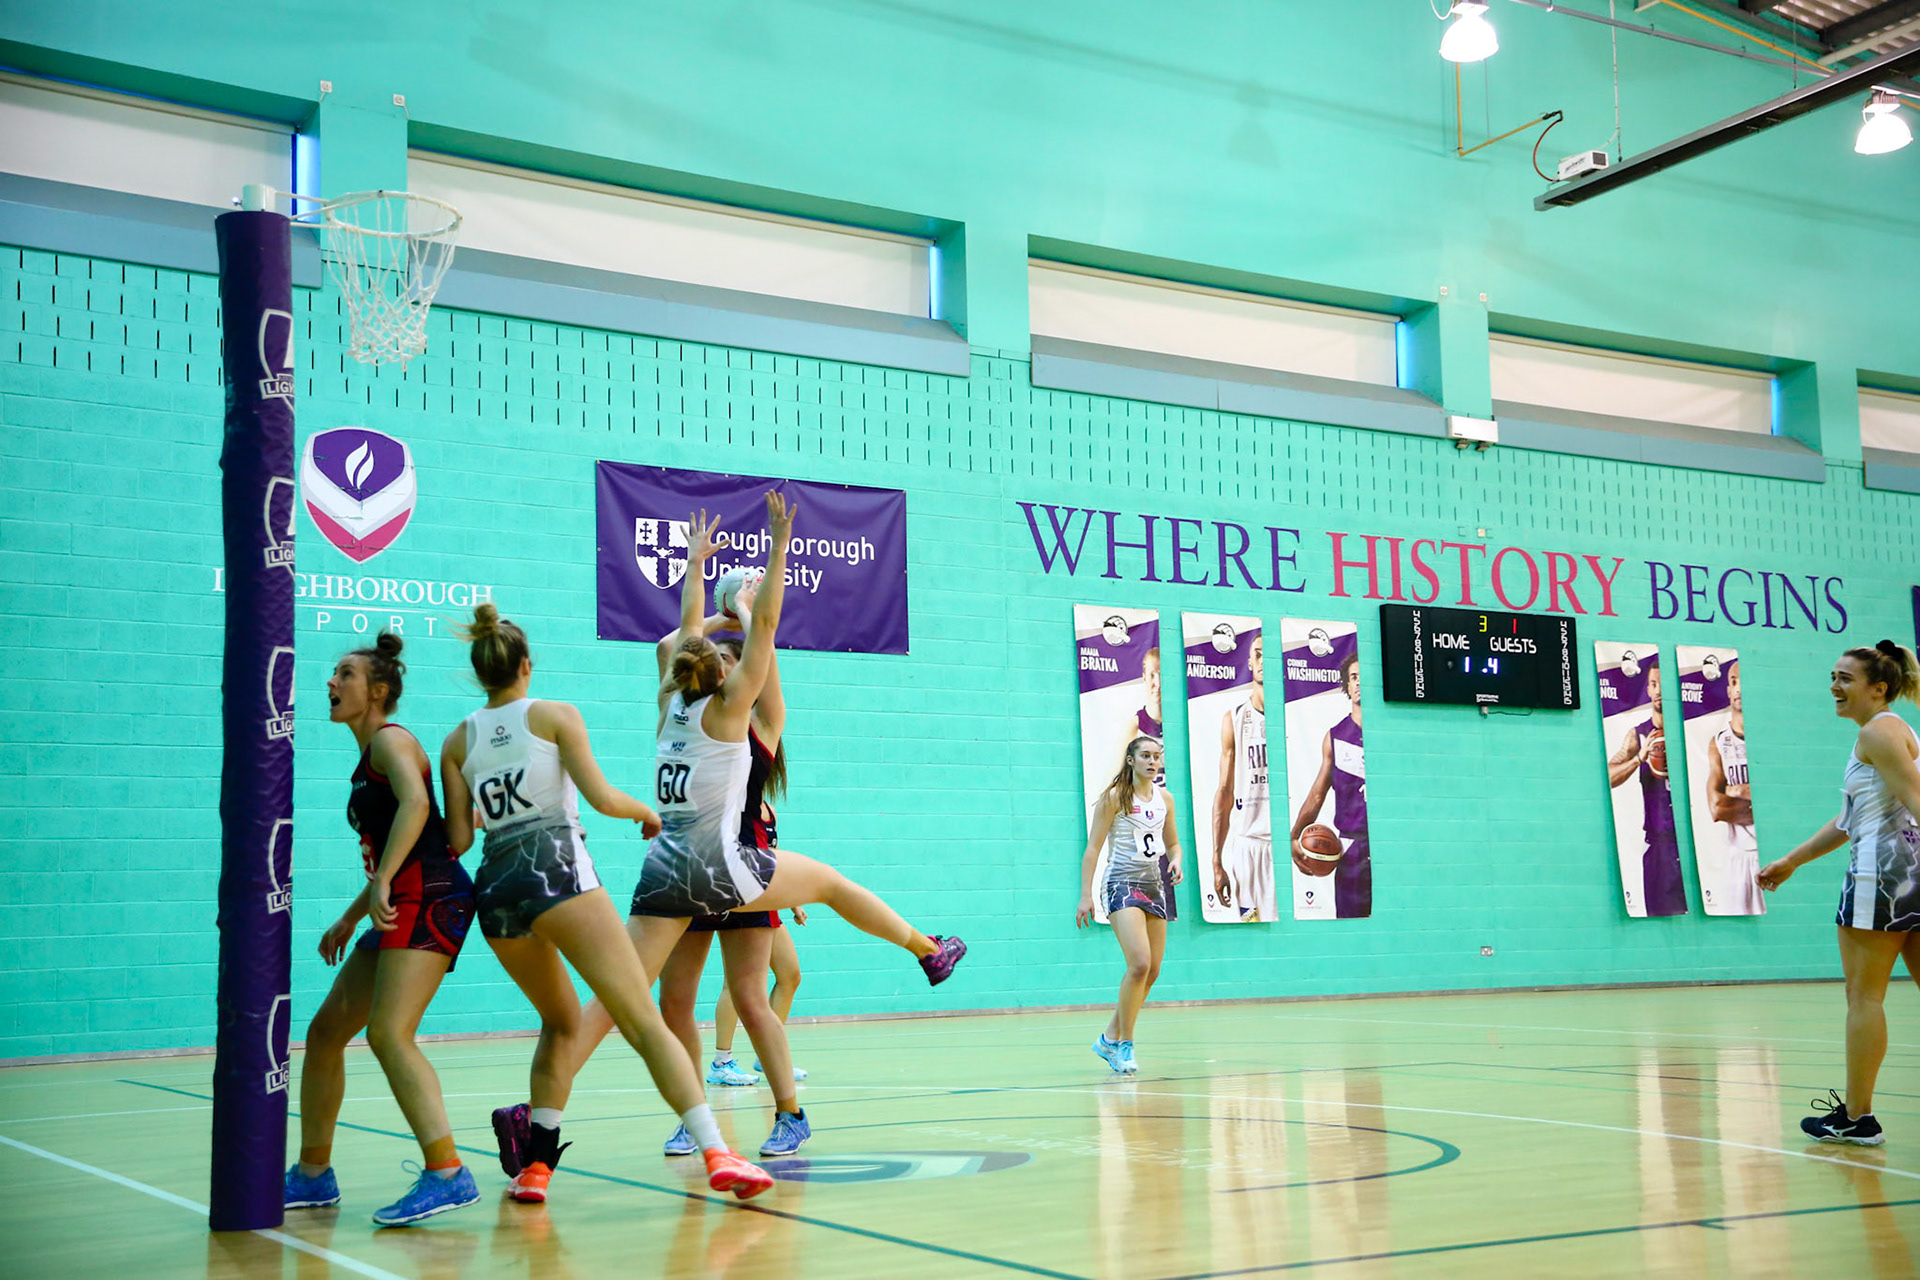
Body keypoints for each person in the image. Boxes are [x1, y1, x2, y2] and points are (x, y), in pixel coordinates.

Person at [552, 494, 966, 1155]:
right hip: (729, 867)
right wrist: (748, 603)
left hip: (697, 868)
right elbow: (756, 645)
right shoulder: (730, 716)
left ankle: (760, 1112)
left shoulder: (689, 712)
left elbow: (687, 646)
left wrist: (709, 600)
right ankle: (921, 951)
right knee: (688, 998)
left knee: (732, 998)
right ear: (724, 675)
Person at [441, 603, 773, 1204]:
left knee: (561, 1023)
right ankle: (717, 1150)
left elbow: (459, 839)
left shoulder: (454, 741)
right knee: (644, 1021)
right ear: (526, 666)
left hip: (495, 891)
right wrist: (645, 812)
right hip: (555, 875)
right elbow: (599, 797)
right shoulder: (554, 716)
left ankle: (537, 1168)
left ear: (481, 669)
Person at [284, 635, 482, 1227]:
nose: (331, 683)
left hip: (433, 895)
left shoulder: (392, 741)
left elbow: (419, 807)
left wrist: (382, 886)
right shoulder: (365, 758)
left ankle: (448, 1171)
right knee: (324, 1034)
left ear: (378, 691)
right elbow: (398, 841)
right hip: (405, 895)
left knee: (389, 1034)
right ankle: (314, 1175)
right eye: (333, 674)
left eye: (344, 674)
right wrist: (353, 912)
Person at [652, 625, 810, 1157]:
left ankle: (790, 1113)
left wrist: (746, 615)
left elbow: (763, 651)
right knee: (674, 1002)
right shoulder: (690, 716)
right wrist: (715, 617)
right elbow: (665, 649)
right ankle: (693, 1116)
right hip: (691, 870)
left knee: (749, 997)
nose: (716, 661)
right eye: (713, 656)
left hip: (741, 869)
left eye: (727, 657)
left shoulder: (760, 725)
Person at [1759, 640, 1920, 1146]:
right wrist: (1792, 861)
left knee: (1863, 997)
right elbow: (1851, 822)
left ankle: (1857, 1117)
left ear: (1879, 688)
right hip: (1910, 877)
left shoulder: (1879, 731)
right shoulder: (1887, 732)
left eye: (1845, 678)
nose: (1834, 685)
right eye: (1833, 675)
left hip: (1883, 883)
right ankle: (1856, 1114)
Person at [1078, 735, 1183, 1074]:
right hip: (1121, 883)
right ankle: (1125, 1045)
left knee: (1152, 971)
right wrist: (1085, 895)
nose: (1153, 762)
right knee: (1139, 963)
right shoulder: (1114, 798)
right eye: (1146, 756)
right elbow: (1093, 848)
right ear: (1131, 760)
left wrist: (1177, 860)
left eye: (1157, 756)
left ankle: (1109, 1038)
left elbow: (1173, 843)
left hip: (1154, 885)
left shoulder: (1165, 798)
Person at [1289, 652, 1371, 918]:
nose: (1359, 683)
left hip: (1389, 846)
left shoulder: (1391, 734)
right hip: (1352, 850)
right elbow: (1317, 795)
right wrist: (1293, 835)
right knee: (1352, 926)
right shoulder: (1335, 737)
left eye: (1363, 677)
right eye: (1353, 678)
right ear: (1347, 686)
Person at [1606, 658, 1687, 916]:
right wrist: (1639, 758)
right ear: (1649, 689)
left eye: (1663, 684)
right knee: (1660, 918)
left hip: (1690, 842)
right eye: (1654, 684)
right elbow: (1608, 776)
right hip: (1658, 844)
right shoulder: (1637, 734)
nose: (1660, 690)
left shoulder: (1690, 733)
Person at [1212, 634, 1272, 921]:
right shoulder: (1234, 718)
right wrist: (1216, 859)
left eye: (1269, 654)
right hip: (1248, 845)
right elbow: (1224, 790)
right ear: (1249, 662)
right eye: (1258, 654)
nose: (1263, 661)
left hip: (1286, 845)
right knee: (1252, 927)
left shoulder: (1294, 716)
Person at [1707, 660, 1763, 914]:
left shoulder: (1768, 739)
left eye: (1744, 681)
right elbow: (1717, 808)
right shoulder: (1718, 742)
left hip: (1770, 852)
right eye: (1733, 682)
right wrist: (1755, 802)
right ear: (1728, 690)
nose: (1739, 688)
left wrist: (1736, 790)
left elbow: (1774, 800)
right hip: (1737, 857)